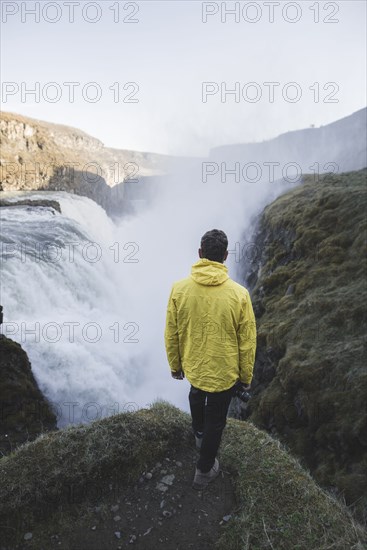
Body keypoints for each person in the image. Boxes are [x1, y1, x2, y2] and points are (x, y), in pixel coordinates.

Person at [164, 229, 256, 489]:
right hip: (224, 372)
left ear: (200, 254)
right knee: (217, 419)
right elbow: (247, 341)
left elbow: (172, 331)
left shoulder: (178, 289)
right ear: (226, 256)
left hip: (194, 364)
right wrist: (246, 377)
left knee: (196, 392)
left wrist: (175, 364)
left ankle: (199, 434)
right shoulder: (239, 295)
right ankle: (204, 470)